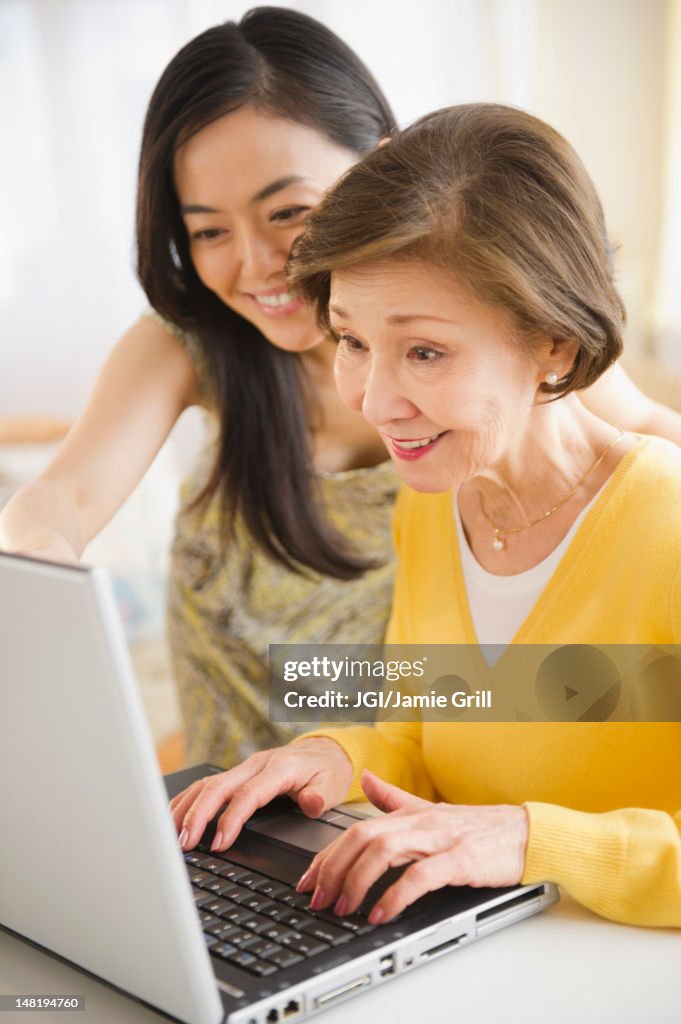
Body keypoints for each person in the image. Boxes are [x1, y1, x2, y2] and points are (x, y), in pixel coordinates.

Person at [0, 11, 679, 770]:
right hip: (257, 779)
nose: (258, 265)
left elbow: (645, 434)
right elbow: (66, 495)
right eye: (208, 231)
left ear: (383, 169)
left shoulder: (508, 340)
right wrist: (37, 559)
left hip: (397, 767)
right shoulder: (189, 343)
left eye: (288, 213)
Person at [170, 103, 681, 930]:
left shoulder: (666, 529)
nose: (373, 401)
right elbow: (430, 732)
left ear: (552, 342)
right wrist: (322, 756)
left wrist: (522, 840)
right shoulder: (433, 502)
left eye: (424, 351)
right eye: (352, 340)